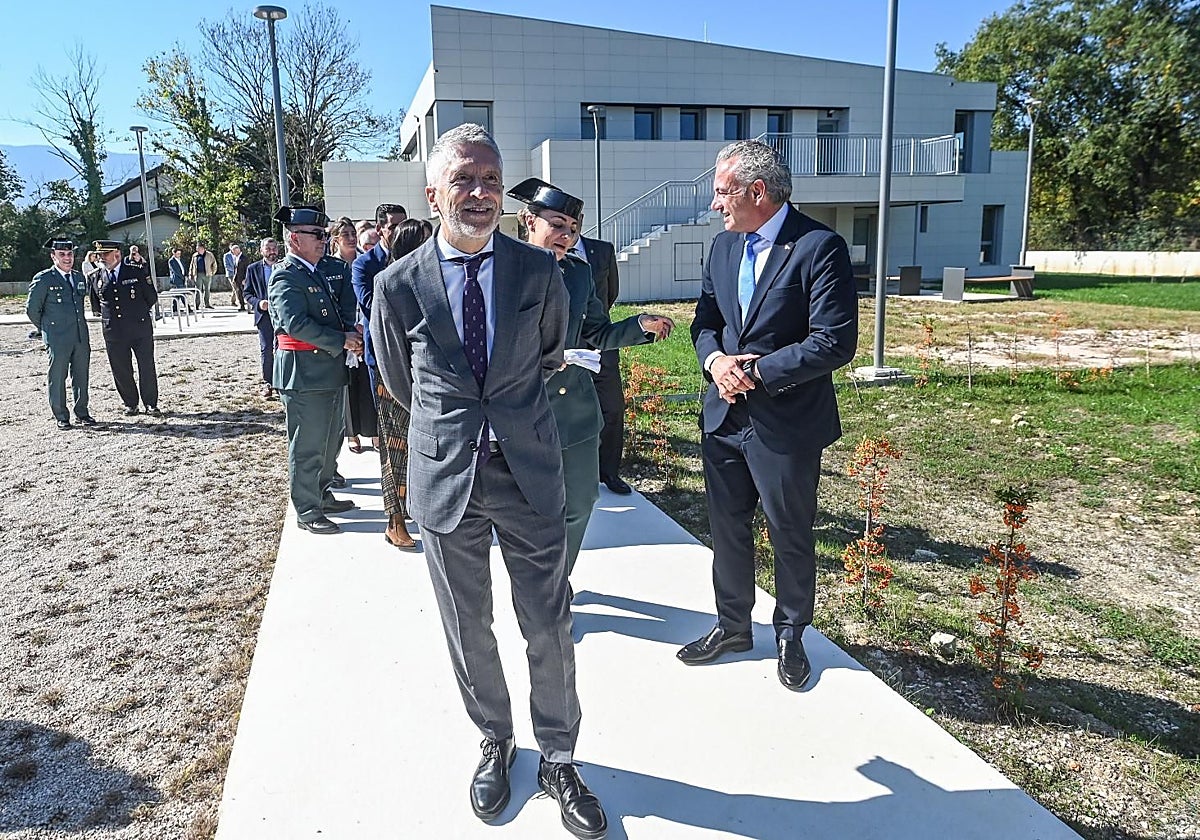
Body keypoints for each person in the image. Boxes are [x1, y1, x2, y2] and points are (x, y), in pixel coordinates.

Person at [371, 124, 607, 839]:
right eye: (465, 180)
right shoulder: (396, 284)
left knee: (549, 624)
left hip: (530, 473)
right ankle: (496, 739)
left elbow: (545, 357)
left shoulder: (541, 274)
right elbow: (397, 380)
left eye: (491, 181)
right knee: (467, 625)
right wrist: (457, 433)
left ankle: (559, 755)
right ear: (433, 193)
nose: (480, 193)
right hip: (448, 482)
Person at [677, 140, 859, 692]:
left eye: (722, 192)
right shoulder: (723, 248)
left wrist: (755, 372)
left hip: (786, 421)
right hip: (724, 416)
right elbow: (705, 321)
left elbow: (835, 342)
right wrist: (715, 362)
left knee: (789, 530)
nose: (715, 206)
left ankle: (791, 632)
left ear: (757, 191)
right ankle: (733, 626)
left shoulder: (819, 247)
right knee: (727, 530)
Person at [510, 177, 674, 575]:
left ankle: (556, 581)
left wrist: (639, 326)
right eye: (557, 224)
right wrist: (545, 360)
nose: (566, 235)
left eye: (573, 228)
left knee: (580, 504)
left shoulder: (579, 274)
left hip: (575, 411)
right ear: (529, 221)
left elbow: (596, 332)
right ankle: (536, 586)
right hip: (522, 412)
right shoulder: (503, 272)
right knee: (528, 512)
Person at [268, 205, 362, 535]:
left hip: (327, 369)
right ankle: (307, 509)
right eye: (318, 235)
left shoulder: (315, 271)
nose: (324, 240)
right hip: (304, 373)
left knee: (328, 441)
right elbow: (295, 325)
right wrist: (342, 339)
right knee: (308, 444)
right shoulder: (286, 275)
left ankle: (321, 494)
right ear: (295, 239)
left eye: (324, 234)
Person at [366, 219, 430, 550]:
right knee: (396, 453)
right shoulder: (389, 282)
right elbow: (387, 346)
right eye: (423, 242)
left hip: (426, 383)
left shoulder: (431, 279)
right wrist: (405, 391)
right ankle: (395, 522)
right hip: (394, 383)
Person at [570, 232, 630, 495]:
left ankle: (609, 472)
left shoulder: (601, 251)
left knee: (612, 409)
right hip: (565, 349)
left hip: (601, 344)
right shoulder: (538, 254)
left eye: (576, 220)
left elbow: (610, 293)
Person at [86, 240, 162, 417]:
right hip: (114, 331)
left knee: (146, 366)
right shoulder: (95, 277)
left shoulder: (136, 271)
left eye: (105, 254)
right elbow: (96, 306)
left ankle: (150, 403)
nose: (101, 258)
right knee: (121, 369)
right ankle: (130, 403)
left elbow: (151, 297)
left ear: (117, 254)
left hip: (139, 328)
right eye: (99, 255)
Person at [26, 237, 95, 430]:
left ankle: (82, 412)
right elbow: (32, 309)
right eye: (62, 254)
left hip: (80, 336)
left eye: (70, 254)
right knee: (57, 377)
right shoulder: (44, 279)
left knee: (81, 376)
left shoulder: (79, 277)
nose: (67, 258)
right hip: (57, 338)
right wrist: (47, 329)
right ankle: (61, 415)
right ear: (53, 256)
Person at [327, 216, 378, 454]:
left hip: (365, 330)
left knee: (368, 384)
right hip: (343, 333)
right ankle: (352, 433)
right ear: (335, 239)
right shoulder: (329, 267)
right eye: (345, 234)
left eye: (352, 233)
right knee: (348, 386)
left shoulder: (364, 261)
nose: (350, 238)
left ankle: (373, 431)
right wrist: (348, 331)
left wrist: (362, 327)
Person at [244, 237, 281, 398]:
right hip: (264, 316)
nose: (272, 251)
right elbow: (246, 293)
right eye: (268, 248)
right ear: (261, 251)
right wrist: (259, 303)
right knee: (267, 349)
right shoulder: (253, 269)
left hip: (283, 315)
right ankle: (268, 383)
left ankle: (282, 382)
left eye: (274, 248)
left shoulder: (285, 266)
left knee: (282, 349)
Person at [189, 242, 217, 308]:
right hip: (198, 275)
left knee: (207, 289)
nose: (197, 249)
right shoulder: (195, 255)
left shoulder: (209, 255)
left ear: (203, 248)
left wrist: (212, 272)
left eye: (199, 248)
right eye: (197, 248)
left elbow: (214, 264)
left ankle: (207, 304)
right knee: (198, 290)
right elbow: (192, 265)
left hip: (207, 274)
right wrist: (190, 274)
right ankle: (196, 305)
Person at [226, 243, 249, 310]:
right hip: (237, 278)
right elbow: (235, 269)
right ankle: (242, 306)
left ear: (238, 250)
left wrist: (245, 278)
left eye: (234, 251)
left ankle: (250, 306)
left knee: (246, 292)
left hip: (243, 278)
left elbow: (247, 269)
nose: (233, 253)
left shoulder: (244, 258)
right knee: (239, 292)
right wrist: (234, 278)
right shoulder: (235, 258)